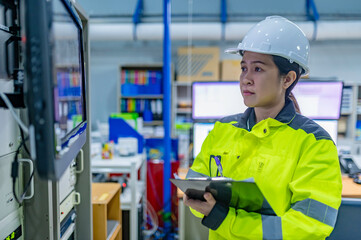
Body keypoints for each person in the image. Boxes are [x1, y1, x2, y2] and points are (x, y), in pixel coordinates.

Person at [183, 16, 342, 240]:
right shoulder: (223, 129)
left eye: (258, 69)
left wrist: (225, 219)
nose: (245, 79)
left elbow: (309, 227)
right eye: (243, 68)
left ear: (287, 79)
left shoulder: (314, 144)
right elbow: (194, 193)